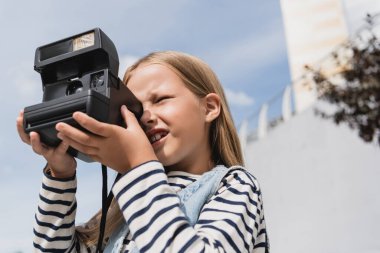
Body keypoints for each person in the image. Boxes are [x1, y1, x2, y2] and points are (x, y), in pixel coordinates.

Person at [16, 51, 269, 252]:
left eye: (160, 100)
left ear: (209, 107)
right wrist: (61, 174)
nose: (145, 116)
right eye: (134, 109)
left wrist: (136, 166)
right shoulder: (119, 210)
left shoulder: (233, 185)